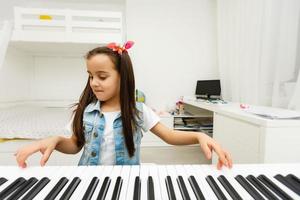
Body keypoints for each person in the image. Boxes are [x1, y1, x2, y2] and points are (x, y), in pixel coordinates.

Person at [15, 41, 232, 169]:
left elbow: (170, 136)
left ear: (122, 77)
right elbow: (75, 146)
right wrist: (55, 140)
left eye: (102, 76)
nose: (94, 83)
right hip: (88, 181)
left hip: (126, 181)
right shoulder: (86, 111)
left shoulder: (138, 112)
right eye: (90, 76)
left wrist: (199, 136)